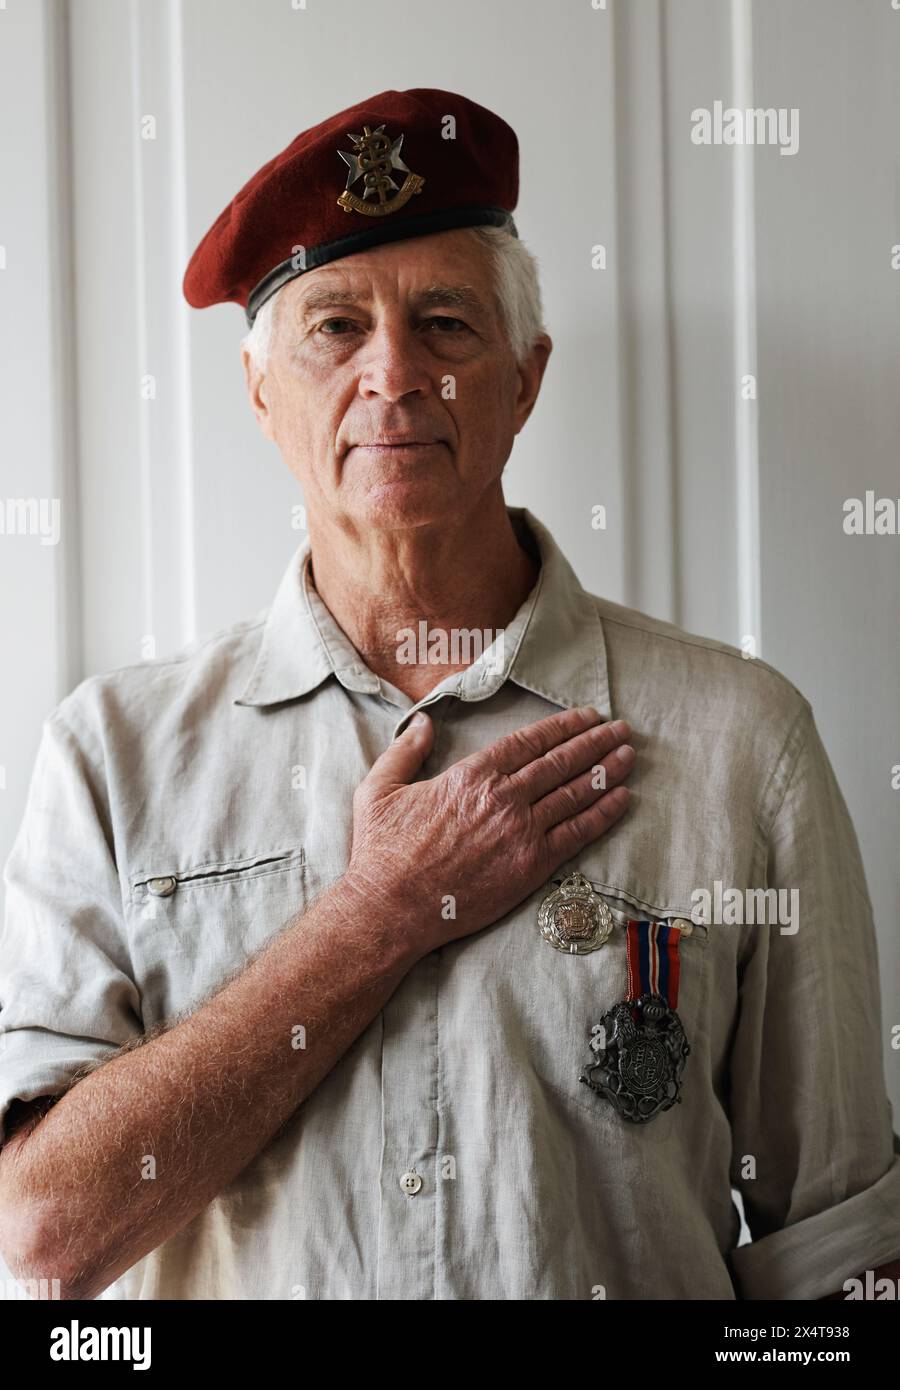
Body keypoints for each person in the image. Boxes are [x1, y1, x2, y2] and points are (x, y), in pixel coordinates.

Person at [0, 88, 897, 1301]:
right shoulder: (113, 756)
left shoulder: (744, 742)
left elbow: (839, 1253)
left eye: (445, 324)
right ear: (262, 395)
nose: (394, 373)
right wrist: (376, 917)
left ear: (525, 381)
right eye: (334, 327)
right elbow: (46, 1231)